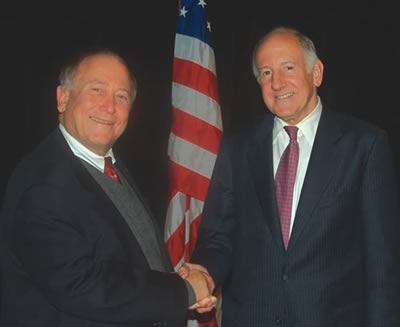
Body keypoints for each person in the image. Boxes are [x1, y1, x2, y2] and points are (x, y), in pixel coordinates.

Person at [180, 27, 400, 326]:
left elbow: (382, 264)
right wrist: (205, 273)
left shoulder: (365, 146)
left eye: (288, 67)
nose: (277, 82)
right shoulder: (238, 147)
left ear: (316, 72)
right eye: (266, 72)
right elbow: (218, 235)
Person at [0, 49, 215, 327]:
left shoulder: (110, 165)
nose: (109, 106)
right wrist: (182, 291)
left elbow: (129, 257)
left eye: (121, 96)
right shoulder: (43, 182)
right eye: (97, 89)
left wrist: (177, 281)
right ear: (62, 98)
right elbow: (79, 284)